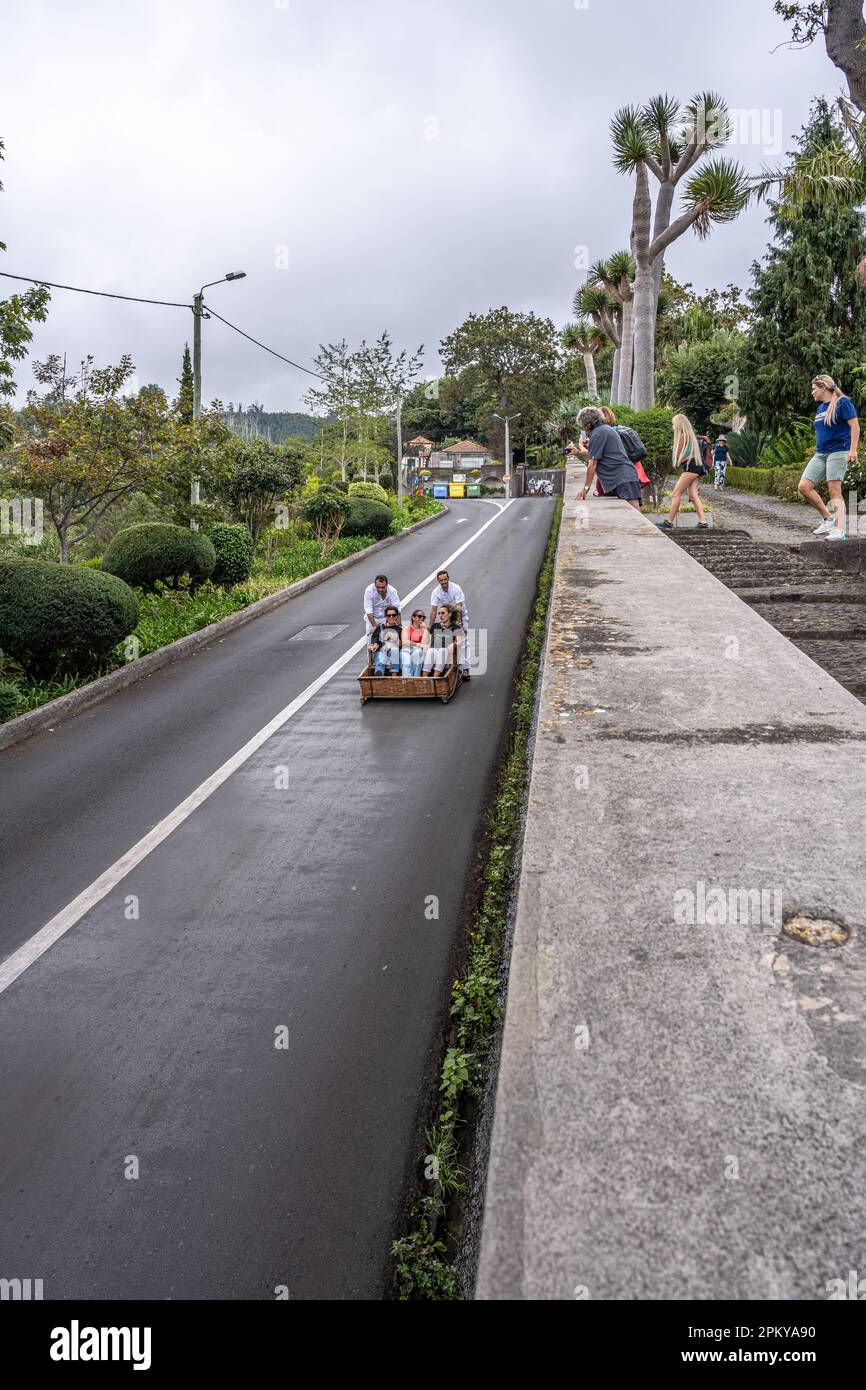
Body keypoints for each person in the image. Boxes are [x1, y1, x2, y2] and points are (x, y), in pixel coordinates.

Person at [798, 374, 860, 540]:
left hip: (839, 450)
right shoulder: (821, 408)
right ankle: (828, 519)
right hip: (820, 453)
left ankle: (840, 530)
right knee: (804, 486)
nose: (812, 393)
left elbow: (855, 425)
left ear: (823, 387)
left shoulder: (842, 402)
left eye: (814, 389)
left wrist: (853, 450)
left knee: (834, 489)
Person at [574, 407, 643, 509]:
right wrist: (580, 452)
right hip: (624, 477)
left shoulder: (598, 433)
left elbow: (592, 465)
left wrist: (585, 489)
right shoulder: (604, 429)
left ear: (587, 424)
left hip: (624, 479)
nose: (583, 429)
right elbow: (604, 454)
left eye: (582, 426)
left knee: (636, 517)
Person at [655, 413, 710, 530]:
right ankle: (703, 522)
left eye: (673, 424)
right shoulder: (690, 436)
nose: (672, 426)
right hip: (697, 467)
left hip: (690, 467)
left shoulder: (683, 437)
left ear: (679, 424)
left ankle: (669, 522)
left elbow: (679, 455)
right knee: (693, 495)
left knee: (676, 493)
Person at [429, 569, 471, 678]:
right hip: (447, 616)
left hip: (460, 615)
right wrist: (430, 626)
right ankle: (453, 668)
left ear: (448, 578)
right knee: (446, 642)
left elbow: (458, 607)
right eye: (441, 580)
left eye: (445, 579)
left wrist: (460, 623)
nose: (443, 582)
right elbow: (433, 610)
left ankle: (466, 669)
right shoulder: (435, 592)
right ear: (438, 581)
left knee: (463, 641)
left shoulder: (456, 588)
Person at [421, 603, 463, 676]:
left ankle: (435, 677)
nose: (440, 615)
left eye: (443, 613)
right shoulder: (435, 626)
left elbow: (460, 641)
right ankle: (424, 678)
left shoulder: (455, 627)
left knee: (442, 650)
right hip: (433, 650)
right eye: (439, 613)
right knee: (431, 650)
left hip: (446, 652)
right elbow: (428, 640)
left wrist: (454, 644)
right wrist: (425, 646)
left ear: (450, 614)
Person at [369, 605, 403, 675]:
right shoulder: (380, 628)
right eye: (389, 615)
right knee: (381, 655)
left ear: (396, 616)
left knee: (394, 650)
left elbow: (402, 644)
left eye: (393, 615)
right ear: (386, 616)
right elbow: (375, 640)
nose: (391, 617)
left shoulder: (399, 630)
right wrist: (374, 645)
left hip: (393, 653)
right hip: (382, 651)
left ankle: (394, 674)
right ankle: (379, 674)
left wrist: (394, 639)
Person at [401, 609, 428, 677]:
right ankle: (407, 680)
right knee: (406, 662)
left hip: (418, 650)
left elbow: (424, 643)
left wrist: (425, 629)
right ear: (413, 617)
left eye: (423, 617)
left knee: (418, 654)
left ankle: (416, 678)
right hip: (406, 649)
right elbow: (405, 642)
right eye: (419, 616)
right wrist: (418, 644)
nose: (421, 618)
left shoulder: (424, 630)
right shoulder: (406, 628)